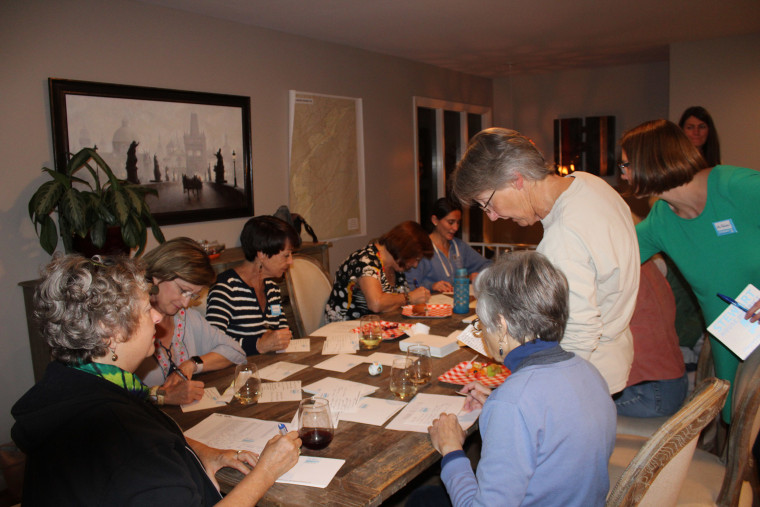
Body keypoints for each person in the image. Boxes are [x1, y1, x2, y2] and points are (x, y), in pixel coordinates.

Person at [11, 254, 301, 505]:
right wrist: (266, 473)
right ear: (109, 330)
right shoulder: (132, 443)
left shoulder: (74, 383)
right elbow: (142, 448)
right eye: (144, 309)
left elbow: (153, 435)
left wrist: (203, 453)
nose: (157, 317)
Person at [415, 251, 616, 507]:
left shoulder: (514, 402)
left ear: (501, 326)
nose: (483, 333)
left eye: (482, 324)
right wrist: (498, 404)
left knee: (421, 500)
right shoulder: (589, 372)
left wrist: (451, 449)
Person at [452, 127, 640, 394]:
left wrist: (533, 397)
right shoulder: (588, 183)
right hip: (612, 360)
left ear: (517, 180)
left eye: (488, 203)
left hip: (582, 381)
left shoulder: (564, 237)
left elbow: (577, 337)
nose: (492, 216)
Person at [620, 119, 760, 421]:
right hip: (733, 343)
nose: (625, 174)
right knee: (737, 425)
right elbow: (612, 258)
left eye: (627, 165)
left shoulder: (734, 186)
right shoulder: (662, 220)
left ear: (653, 159)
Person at [135, 237, 246, 405]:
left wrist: (192, 364)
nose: (185, 303)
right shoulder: (127, 324)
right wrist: (162, 396)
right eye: (183, 290)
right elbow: (112, 391)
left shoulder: (186, 318)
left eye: (193, 295)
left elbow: (236, 352)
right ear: (158, 276)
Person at [206, 216, 299, 355]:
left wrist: (282, 337)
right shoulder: (225, 288)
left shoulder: (272, 288)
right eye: (286, 255)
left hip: (272, 368)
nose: (291, 261)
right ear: (262, 254)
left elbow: (283, 330)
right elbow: (211, 343)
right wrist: (257, 344)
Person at [615, 258, 688, 417]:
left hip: (648, 394)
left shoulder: (613, 270)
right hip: (673, 384)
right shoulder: (645, 261)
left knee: (560, 408)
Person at [325, 221, 433, 322]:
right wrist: (409, 297)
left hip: (376, 327)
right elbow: (376, 303)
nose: (415, 265)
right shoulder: (366, 260)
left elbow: (396, 305)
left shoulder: (396, 267)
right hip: (346, 328)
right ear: (405, 250)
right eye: (416, 259)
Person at [405, 197, 491, 292]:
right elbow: (411, 285)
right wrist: (432, 286)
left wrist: (477, 275)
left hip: (456, 303)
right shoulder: (420, 249)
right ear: (435, 220)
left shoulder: (459, 246)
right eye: (451, 222)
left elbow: (487, 265)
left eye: (458, 222)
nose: (455, 228)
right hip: (430, 304)